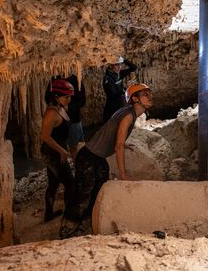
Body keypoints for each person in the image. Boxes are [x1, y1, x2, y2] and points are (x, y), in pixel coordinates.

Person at [60, 83, 153, 238]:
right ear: (135, 99)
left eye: (150, 93)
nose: (150, 96)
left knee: (99, 188)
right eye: (145, 94)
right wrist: (123, 174)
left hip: (97, 157)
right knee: (83, 193)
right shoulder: (128, 115)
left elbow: (114, 134)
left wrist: (124, 144)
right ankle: (67, 228)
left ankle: (87, 222)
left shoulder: (127, 112)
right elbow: (118, 145)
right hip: (89, 157)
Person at [40, 79, 75, 222]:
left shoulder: (61, 109)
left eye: (69, 96)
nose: (69, 99)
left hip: (58, 151)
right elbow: (44, 136)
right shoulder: (51, 114)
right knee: (70, 184)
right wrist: (62, 151)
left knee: (53, 183)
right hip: (52, 153)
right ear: (55, 96)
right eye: (66, 97)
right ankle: (69, 216)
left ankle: (48, 215)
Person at [103, 57, 137, 122]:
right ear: (110, 66)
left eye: (120, 64)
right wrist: (125, 88)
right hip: (112, 108)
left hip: (120, 104)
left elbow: (134, 67)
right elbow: (113, 94)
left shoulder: (118, 74)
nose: (119, 67)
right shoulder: (108, 79)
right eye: (116, 65)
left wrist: (123, 60)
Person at [65, 74, 86, 161]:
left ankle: (77, 163)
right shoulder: (56, 78)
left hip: (73, 118)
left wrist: (69, 108)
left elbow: (82, 100)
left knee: (77, 144)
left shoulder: (76, 80)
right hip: (61, 119)